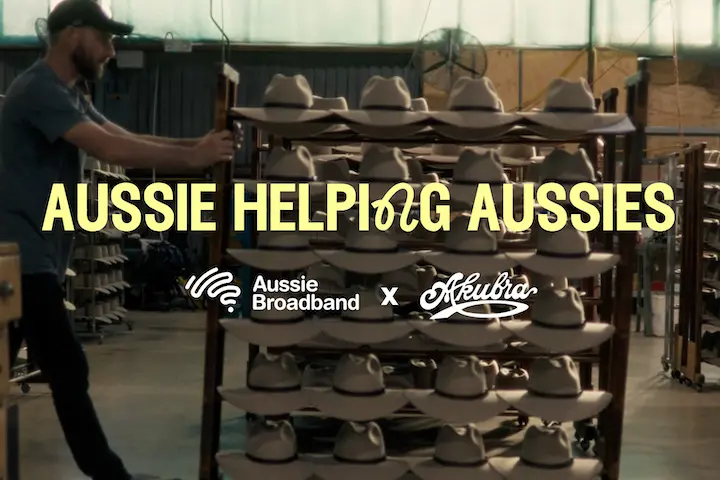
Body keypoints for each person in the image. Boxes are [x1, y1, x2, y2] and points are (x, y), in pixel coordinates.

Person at [0, 1, 237, 479]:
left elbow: (124, 136)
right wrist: (196, 159)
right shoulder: (38, 90)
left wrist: (196, 146)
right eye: (105, 39)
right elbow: (108, 148)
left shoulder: (68, 93)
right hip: (20, 260)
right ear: (71, 34)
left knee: (27, 367)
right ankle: (109, 474)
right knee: (68, 370)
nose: (110, 50)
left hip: (34, 257)